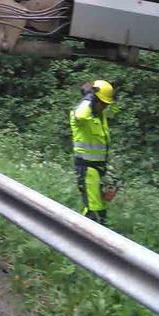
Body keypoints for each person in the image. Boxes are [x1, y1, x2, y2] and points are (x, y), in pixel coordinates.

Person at [70, 79, 115, 225]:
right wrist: (89, 97)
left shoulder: (99, 116)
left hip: (99, 168)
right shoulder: (80, 116)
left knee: (100, 209)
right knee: (92, 211)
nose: (104, 107)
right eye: (102, 103)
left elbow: (116, 110)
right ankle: (81, 240)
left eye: (106, 104)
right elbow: (82, 115)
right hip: (87, 168)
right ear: (93, 100)